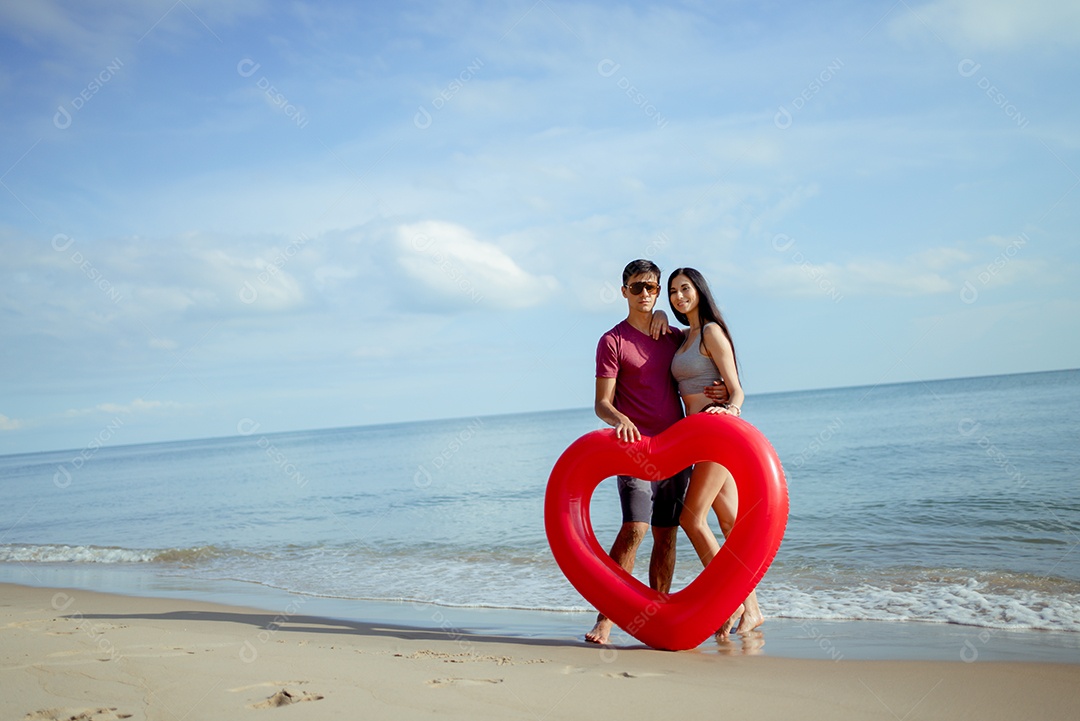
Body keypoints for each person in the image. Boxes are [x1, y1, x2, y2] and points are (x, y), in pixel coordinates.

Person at [586, 259, 691, 645]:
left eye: (651, 288)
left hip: (677, 448)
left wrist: (719, 395)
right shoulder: (611, 341)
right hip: (635, 449)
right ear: (623, 291)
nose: (644, 294)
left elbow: (701, 367)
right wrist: (619, 419)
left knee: (666, 534)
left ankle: (657, 615)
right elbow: (601, 403)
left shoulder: (673, 336)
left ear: (659, 291)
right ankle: (607, 618)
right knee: (635, 529)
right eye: (636, 287)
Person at [668, 266, 764, 637]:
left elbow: (737, 389)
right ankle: (752, 611)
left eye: (685, 288)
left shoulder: (710, 331)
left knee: (691, 519)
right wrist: (659, 315)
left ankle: (733, 601)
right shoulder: (685, 336)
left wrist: (731, 409)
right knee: (728, 525)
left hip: (717, 433)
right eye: (673, 291)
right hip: (697, 440)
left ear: (699, 290)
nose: (679, 296)